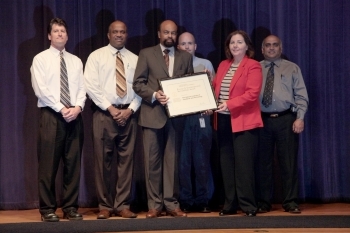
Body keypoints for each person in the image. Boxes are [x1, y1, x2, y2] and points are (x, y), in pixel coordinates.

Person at [133, 20, 193, 218]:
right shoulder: (146, 53)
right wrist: (154, 95)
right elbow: (138, 84)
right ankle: (154, 205)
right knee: (152, 162)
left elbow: (189, 84)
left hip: (176, 118)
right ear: (159, 34)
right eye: (166, 32)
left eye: (173, 33)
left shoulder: (185, 57)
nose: (170, 36)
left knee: (172, 162)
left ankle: (171, 204)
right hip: (152, 115)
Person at [31, 18, 86, 222]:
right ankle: (47, 209)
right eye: (56, 31)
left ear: (67, 35)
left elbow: (82, 88)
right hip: (52, 115)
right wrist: (62, 108)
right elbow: (41, 90)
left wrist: (78, 107)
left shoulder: (75, 61)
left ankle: (70, 207)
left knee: (73, 165)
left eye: (63, 30)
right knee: (48, 165)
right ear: (49, 35)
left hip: (74, 116)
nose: (60, 34)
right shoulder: (40, 59)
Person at [84, 20, 140, 219]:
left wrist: (130, 110)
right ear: (108, 35)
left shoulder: (135, 59)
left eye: (123, 32)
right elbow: (90, 85)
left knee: (127, 162)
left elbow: (140, 88)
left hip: (129, 116)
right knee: (102, 162)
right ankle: (105, 206)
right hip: (104, 114)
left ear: (126, 35)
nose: (119, 35)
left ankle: (123, 205)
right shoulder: (96, 56)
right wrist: (111, 108)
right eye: (115, 32)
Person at [212, 30, 263, 217]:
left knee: (244, 166)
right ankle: (230, 204)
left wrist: (229, 104)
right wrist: (209, 104)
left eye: (239, 42)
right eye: (232, 42)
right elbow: (215, 90)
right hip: (224, 121)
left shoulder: (253, 66)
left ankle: (248, 205)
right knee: (226, 164)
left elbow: (252, 94)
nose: (235, 45)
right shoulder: (223, 65)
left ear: (247, 46)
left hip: (244, 123)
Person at [257, 35, 309, 214]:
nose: (271, 48)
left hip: (286, 119)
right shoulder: (255, 68)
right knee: (263, 164)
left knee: (288, 162)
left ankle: (291, 202)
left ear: (281, 48)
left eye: (275, 45)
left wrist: (300, 117)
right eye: (268, 45)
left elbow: (301, 95)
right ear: (262, 49)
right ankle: (264, 202)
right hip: (261, 120)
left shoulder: (292, 68)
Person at [177, 32, 215, 213]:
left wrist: (211, 107)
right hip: (181, 119)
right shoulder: (174, 65)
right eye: (183, 44)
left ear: (196, 46)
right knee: (183, 162)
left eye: (190, 43)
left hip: (201, 118)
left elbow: (214, 92)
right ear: (178, 47)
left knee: (201, 161)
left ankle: (203, 199)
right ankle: (185, 199)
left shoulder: (205, 64)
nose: (187, 47)